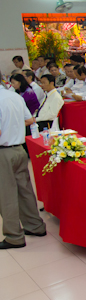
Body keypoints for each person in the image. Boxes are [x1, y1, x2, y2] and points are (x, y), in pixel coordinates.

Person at [0, 88, 46, 249]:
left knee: (6, 195)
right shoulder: (14, 96)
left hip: (3, 152)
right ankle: (35, 225)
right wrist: (13, 128)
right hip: (19, 148)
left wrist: (6, 129)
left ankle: (14, 236)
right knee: (25, 190)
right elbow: (29, 119)